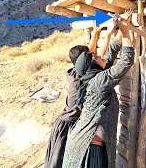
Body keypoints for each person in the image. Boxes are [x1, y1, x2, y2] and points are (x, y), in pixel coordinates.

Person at [62, 11, 134, 168]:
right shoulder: (98, 81)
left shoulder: (91, 76)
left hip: (87, 143)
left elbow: (111, 53)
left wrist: (118, 30)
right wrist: (126, 32)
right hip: (89, 147)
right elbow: (126, 61)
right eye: (95, 57)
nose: (99, 56)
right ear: (92, 65)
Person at [44, 22, 121, 168]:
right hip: (68, 125)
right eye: (91, 56)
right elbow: (98, 59)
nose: (95, 56)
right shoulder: (83, 79)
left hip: (68, 121)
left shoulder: (76, 72)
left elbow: (92, 55)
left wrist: (97, 33)